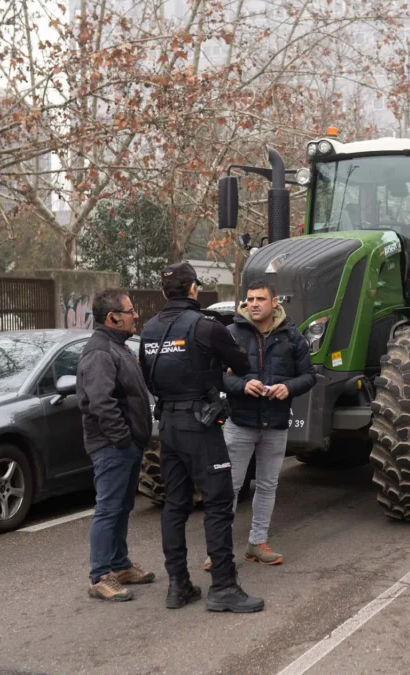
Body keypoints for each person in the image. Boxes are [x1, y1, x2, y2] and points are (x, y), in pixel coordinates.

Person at [138, 262, 263, 614]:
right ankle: (223, 586)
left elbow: (148, 378)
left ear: (165, 292)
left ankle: (178, 585)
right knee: (220, 502)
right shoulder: (206, 326)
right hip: (200, 423)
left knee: (175, 505)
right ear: (194, 289)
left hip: (168, 425)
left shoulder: (149, 328)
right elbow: (241, 366)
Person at [203, 280, 315, 570]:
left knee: (267, 485)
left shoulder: (292, 336)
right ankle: (219, 550)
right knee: (229, 486)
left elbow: (309, 376)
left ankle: (257, 543)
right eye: (250, 299)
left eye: (260, 299)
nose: (253, 304)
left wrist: (287, 388)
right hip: (239, 422)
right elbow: (216, 375)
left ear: (274, 302)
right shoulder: (231, 333)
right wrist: (242, 384)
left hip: (275, 423)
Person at [77, 288, 155, 602]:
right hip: (112, 446)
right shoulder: (99, 352)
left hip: (126, 444)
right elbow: (101, 403)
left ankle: (120, 565)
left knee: (123, 507)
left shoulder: (117, 346)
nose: (135, 315)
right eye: (130, 311)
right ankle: (100, 576)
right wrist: (123, 438)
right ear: (112, 318)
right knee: (108, 509)